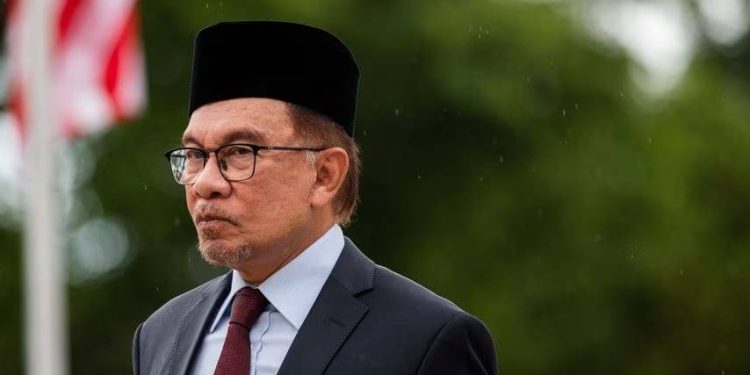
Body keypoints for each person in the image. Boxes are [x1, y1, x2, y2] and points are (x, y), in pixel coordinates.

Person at [132, 20, 498, 375]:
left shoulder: (426, 341)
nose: (205, 183)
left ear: (325, 175)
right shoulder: (162, 334)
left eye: (241, 152)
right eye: (195, 154)